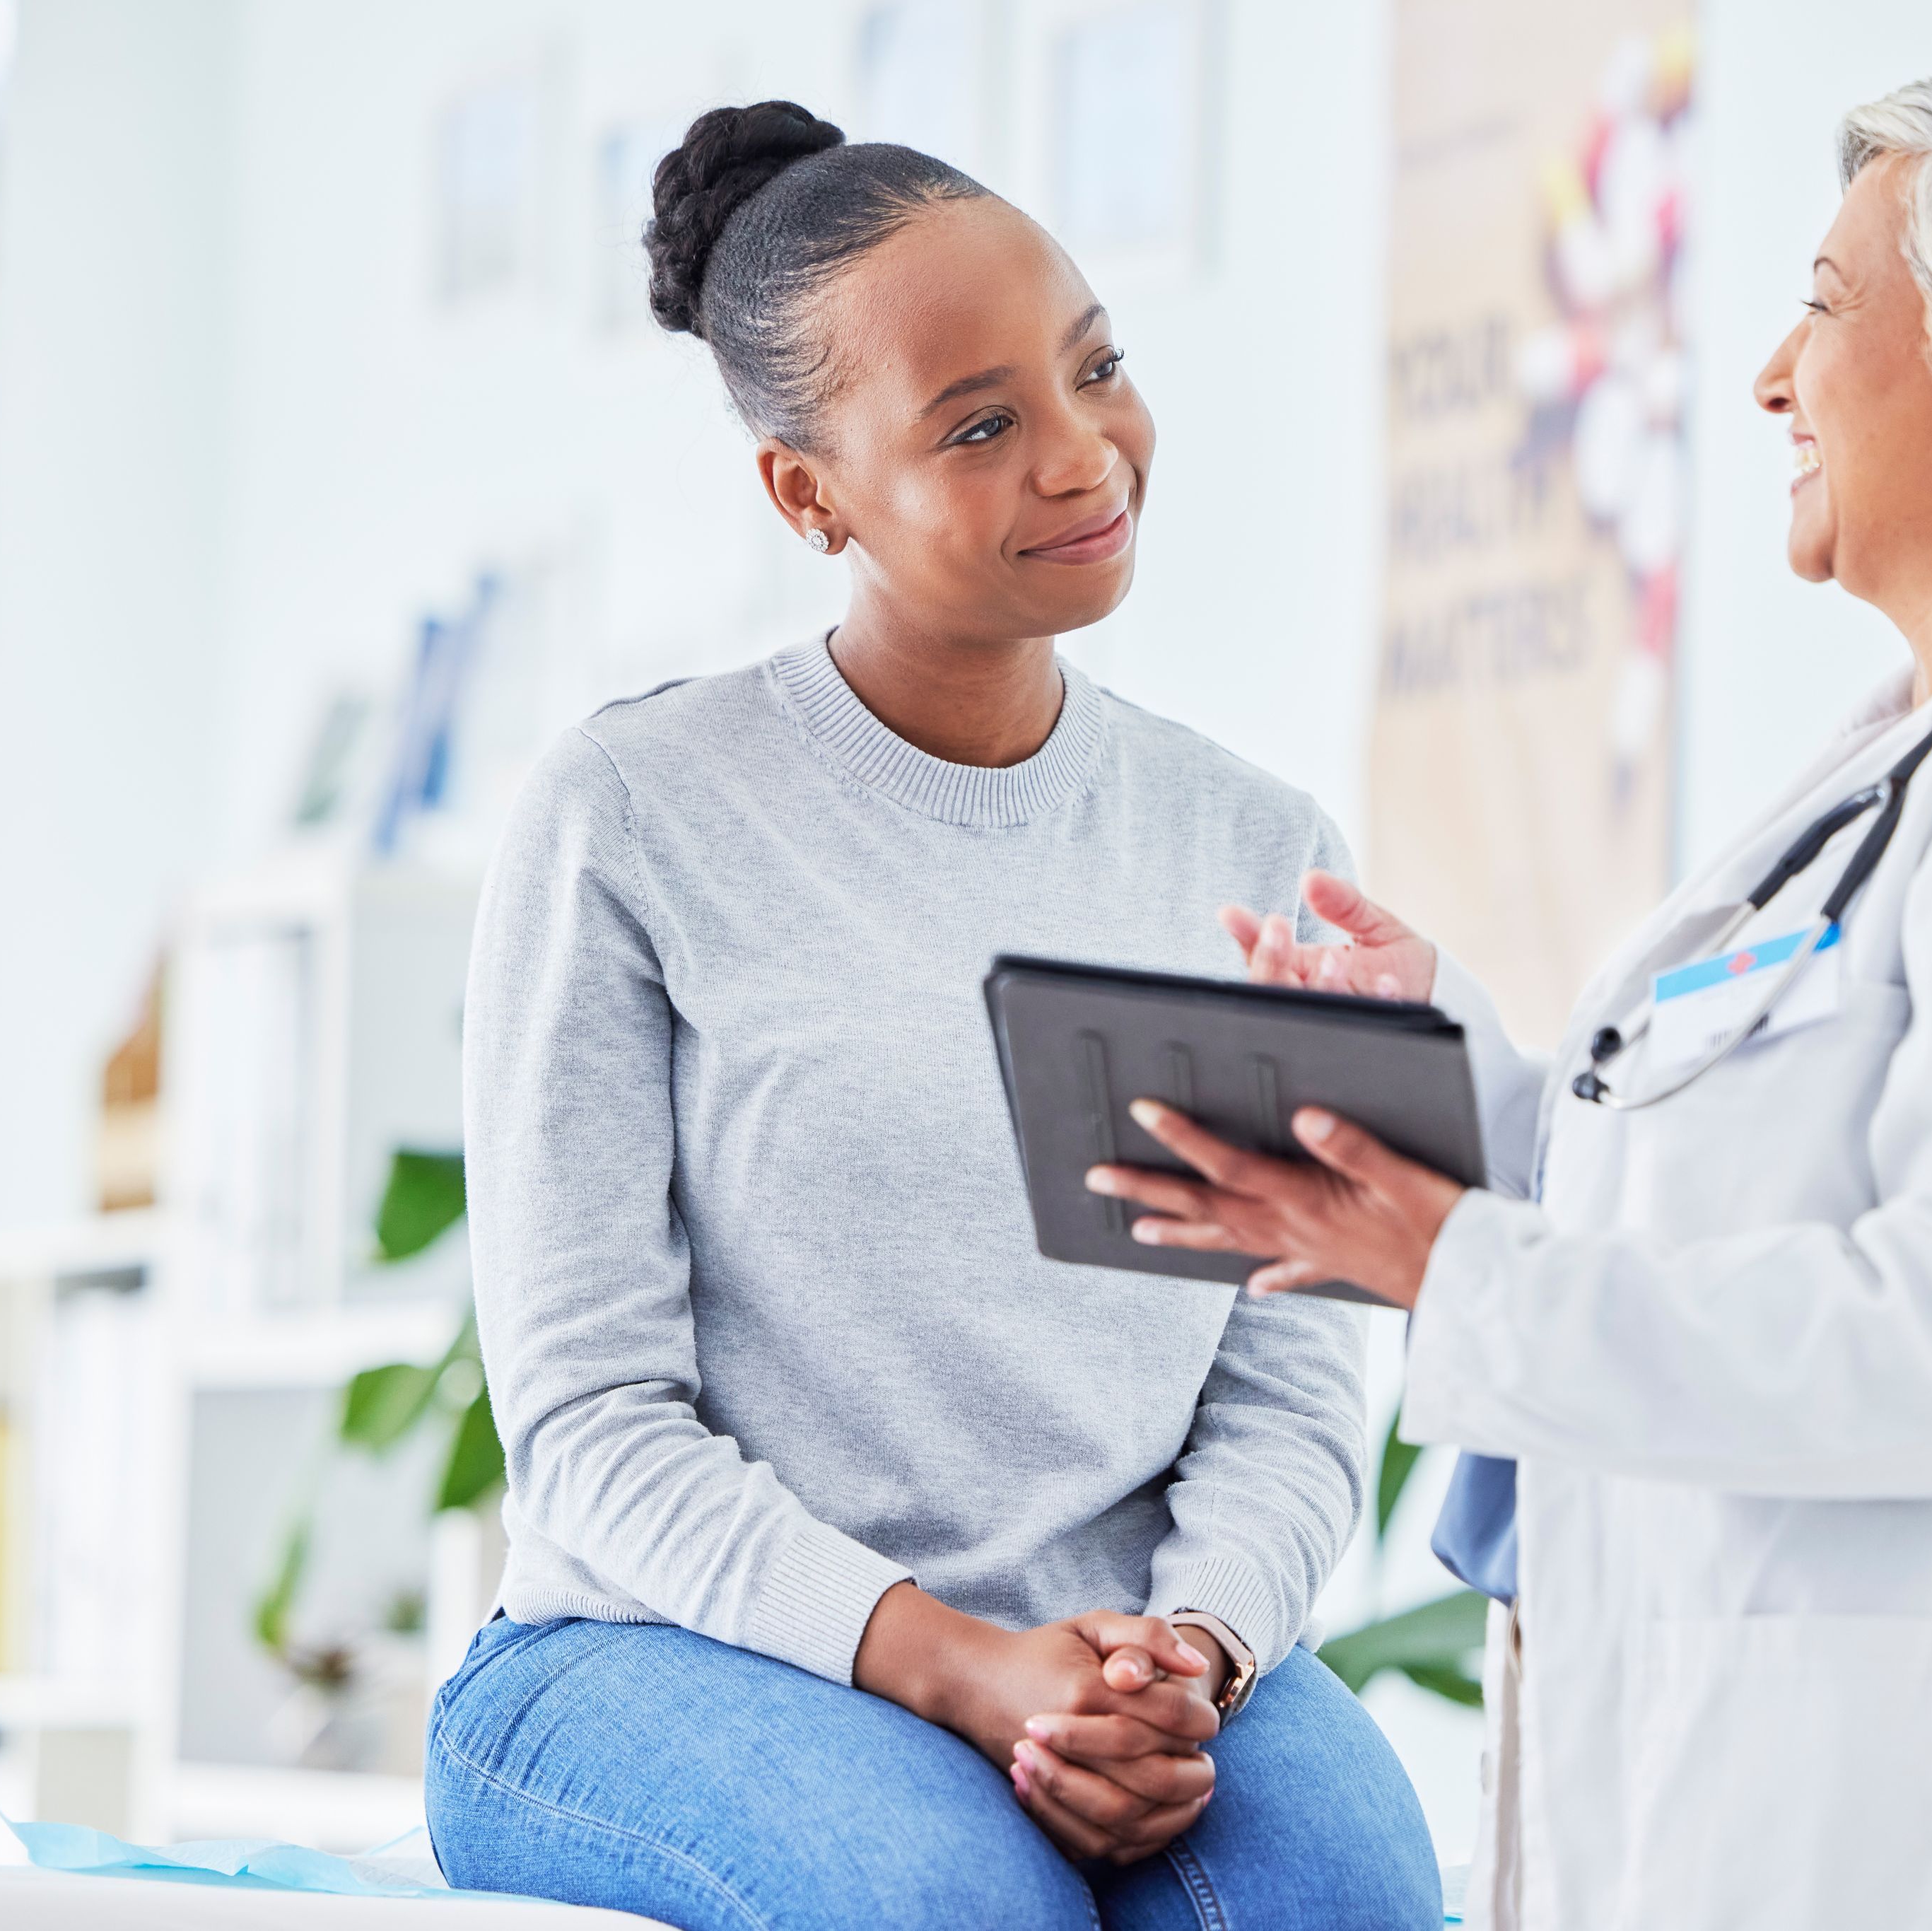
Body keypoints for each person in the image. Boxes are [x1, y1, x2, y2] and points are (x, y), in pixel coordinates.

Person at [1092, 57, 1932, 1930]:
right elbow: (1722, 1194)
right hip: (1741, 1797)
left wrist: (1458, 1264)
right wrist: (1446, 1089)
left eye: (1828, 308)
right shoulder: (1919, 758)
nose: (1769, 376)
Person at [423, 101, 1438, 1931]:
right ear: (808, 493)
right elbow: (585, 1419)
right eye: (981, 425)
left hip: (1125, 1651)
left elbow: (1296, 1390)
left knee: (1344, 1890)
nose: (1083, 455)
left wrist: (1189, 1652)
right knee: (955, 1904)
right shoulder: (631, 810)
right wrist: (960, 1663)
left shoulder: (1262, 849)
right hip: (665, 1648)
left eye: (1096, 368)